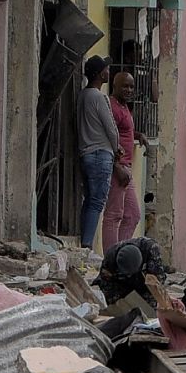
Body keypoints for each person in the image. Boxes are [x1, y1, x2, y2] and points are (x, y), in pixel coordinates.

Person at [76, 55, 119, 255]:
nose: (108, 72)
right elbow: (111, 128)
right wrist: (117, 148)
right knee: (97, 202)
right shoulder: (99, 97)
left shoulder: (83, 95)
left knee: (89, 200)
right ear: (100, 73)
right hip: (101, 154)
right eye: (106, 69)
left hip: (86, 153)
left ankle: (83, 243)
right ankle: (87, 247)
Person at [102, 71, 148, 249]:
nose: (129, 90)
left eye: (131, 86)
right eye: (125, 86)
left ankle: (119, 253)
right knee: (114, 214)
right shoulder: (112, 107)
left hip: (126, 167)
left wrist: (138, 135)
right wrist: (115, 166)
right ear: (115, 86)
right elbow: (106, 136)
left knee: (133, 215)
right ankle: (111, 260)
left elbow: (123, 132)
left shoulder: (124, 107)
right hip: (118, 167)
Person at [94, 237, 168, 307]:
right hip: (122, 283)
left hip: (143, 281)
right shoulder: (110, 260)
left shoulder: (150, 248)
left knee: (153, 307)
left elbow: (158, 281)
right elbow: (106, 286)